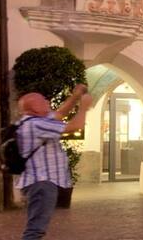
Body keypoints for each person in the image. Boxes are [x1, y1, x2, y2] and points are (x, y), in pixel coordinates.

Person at [17, 84, 91, 240]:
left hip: (39, 182)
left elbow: (60, 113)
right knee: (35, 230)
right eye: (43, 100)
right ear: (34, 108)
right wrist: (84, 107)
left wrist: (76, 96)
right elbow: (75, 126)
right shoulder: (36, 124)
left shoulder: (32, 121)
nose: (47, 101)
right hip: (42, 182)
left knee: (36, 227)